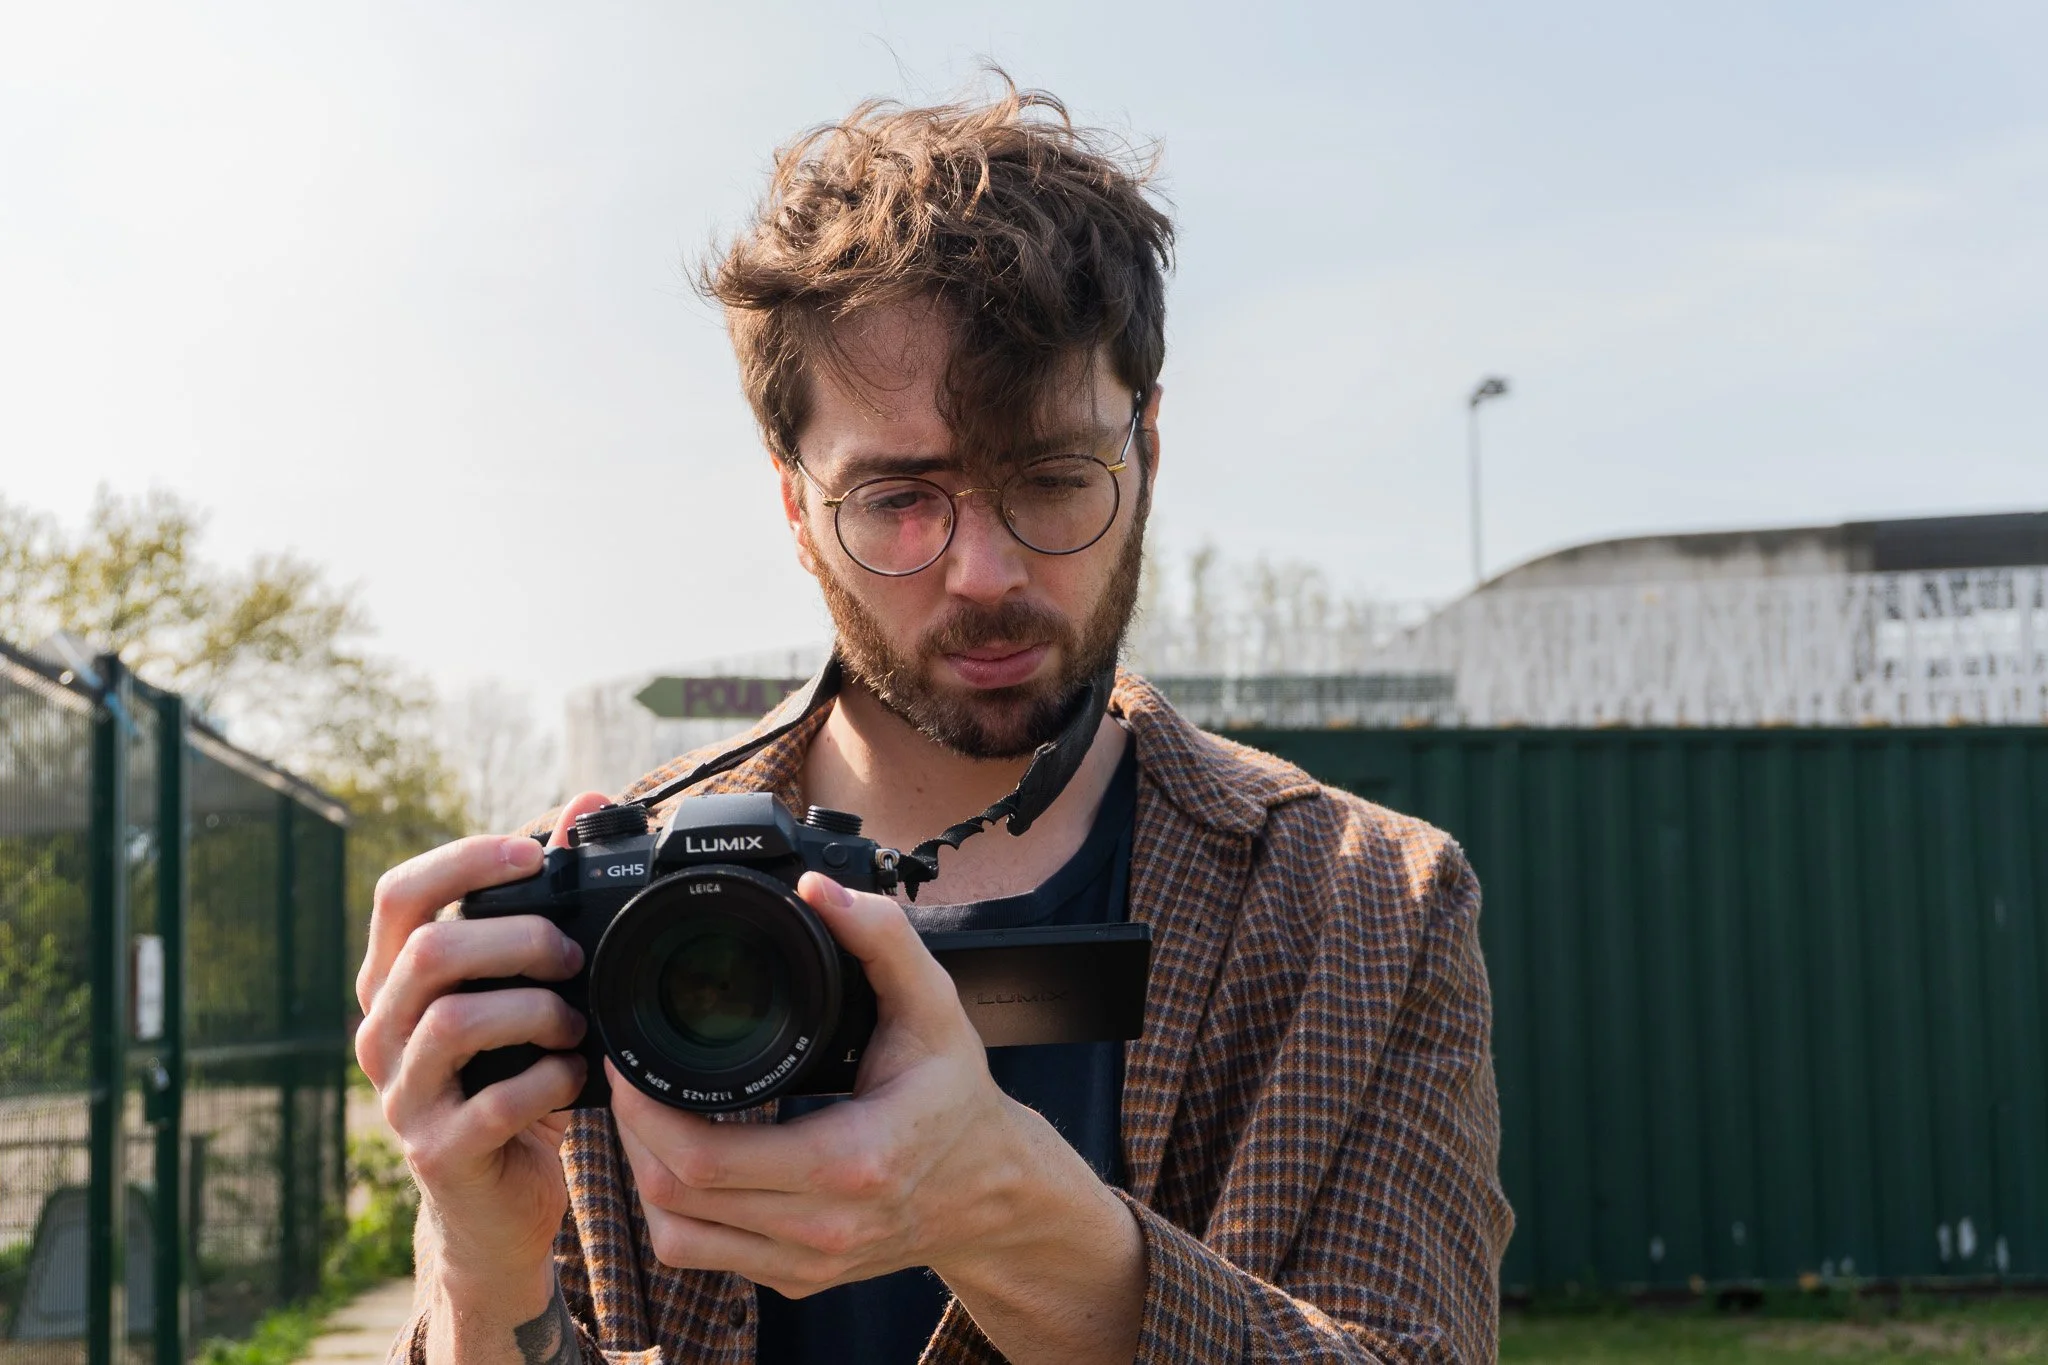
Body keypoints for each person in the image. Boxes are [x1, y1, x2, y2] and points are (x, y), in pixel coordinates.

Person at [356, 77, 1512, 1365]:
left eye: (1054, 477)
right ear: (796, 510)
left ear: (1150, 451)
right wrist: (479, 1269)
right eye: (899, 499)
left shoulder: (1363, 911)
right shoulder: (605, 921)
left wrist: (1012, 1222)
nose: (983, 571)